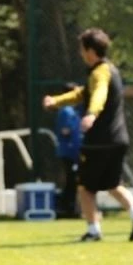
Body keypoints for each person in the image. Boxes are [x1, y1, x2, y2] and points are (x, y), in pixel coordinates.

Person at [43, 29, 133, 243]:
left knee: (85, 187)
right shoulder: (110, 70)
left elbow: (99, 93)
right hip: (119, 139)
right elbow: (81, 94)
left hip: (99, 141)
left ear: (90, 51)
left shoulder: (100, 73)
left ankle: (93, 231)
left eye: (82, 49)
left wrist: (91, 114)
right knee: (113, 184)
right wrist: (56, 101)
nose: (81, 53)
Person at [54, 83, 82, 217]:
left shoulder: (73, 110)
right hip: (69, 151)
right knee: (72, 180)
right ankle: (66, 207)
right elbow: (65, 130)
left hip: (74, 151)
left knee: (73, 180)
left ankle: (70, 206)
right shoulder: (67, 111)